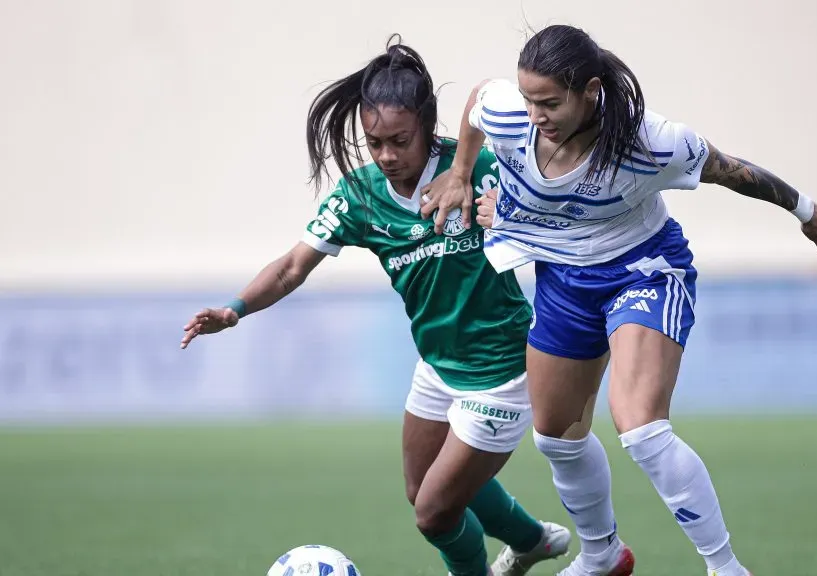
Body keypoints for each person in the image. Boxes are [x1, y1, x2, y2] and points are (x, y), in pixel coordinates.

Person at [420, 24, 817, 576]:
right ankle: (602, 556)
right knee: (555, 438)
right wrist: (459, 175)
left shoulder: (651, 143)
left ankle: (725, 568)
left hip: (643, 271)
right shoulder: (510, 115)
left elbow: (731, 170)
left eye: (549, 102)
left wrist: (803, 208)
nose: (534, 115)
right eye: (528, 99)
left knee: (641, 426)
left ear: (590, 91)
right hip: (565, 281)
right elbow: (481, 98)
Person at [179, 36, 571, 576]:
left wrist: (505, 216)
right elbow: (293, 266)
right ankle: (530, 540)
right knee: (420, 489)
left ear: (428, 126)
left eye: (400, 140)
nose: (386, 155)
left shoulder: (477, 168)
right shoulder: (360, 196)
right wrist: (235, 308)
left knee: (435, 513)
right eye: (375, 142)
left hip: (500, 371)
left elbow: (556, 201)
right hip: (437, 366)